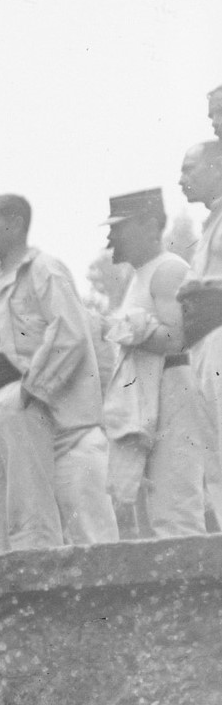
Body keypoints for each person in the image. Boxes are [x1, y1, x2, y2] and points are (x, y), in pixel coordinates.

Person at [0, 195, 111, 552]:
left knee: (30, 510)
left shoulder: (44, 269)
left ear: (14, 224)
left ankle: (38, 589)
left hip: (22, 398)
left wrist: (34, 389)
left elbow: (70, 332)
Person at [100, 190, 213, 540]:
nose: (110, 238)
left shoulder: (168, 269)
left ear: (150, 225)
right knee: (151, 512)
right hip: (147, 398)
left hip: (173, 390)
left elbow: (178, 340)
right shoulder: (139, 277)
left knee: (176, 507)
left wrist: (123, 328)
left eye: (119, 228)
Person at [181, 141, 222, 532]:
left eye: (190, 169)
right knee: (215, 457)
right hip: (203, 345)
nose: (181, 179)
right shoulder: (211, 221)